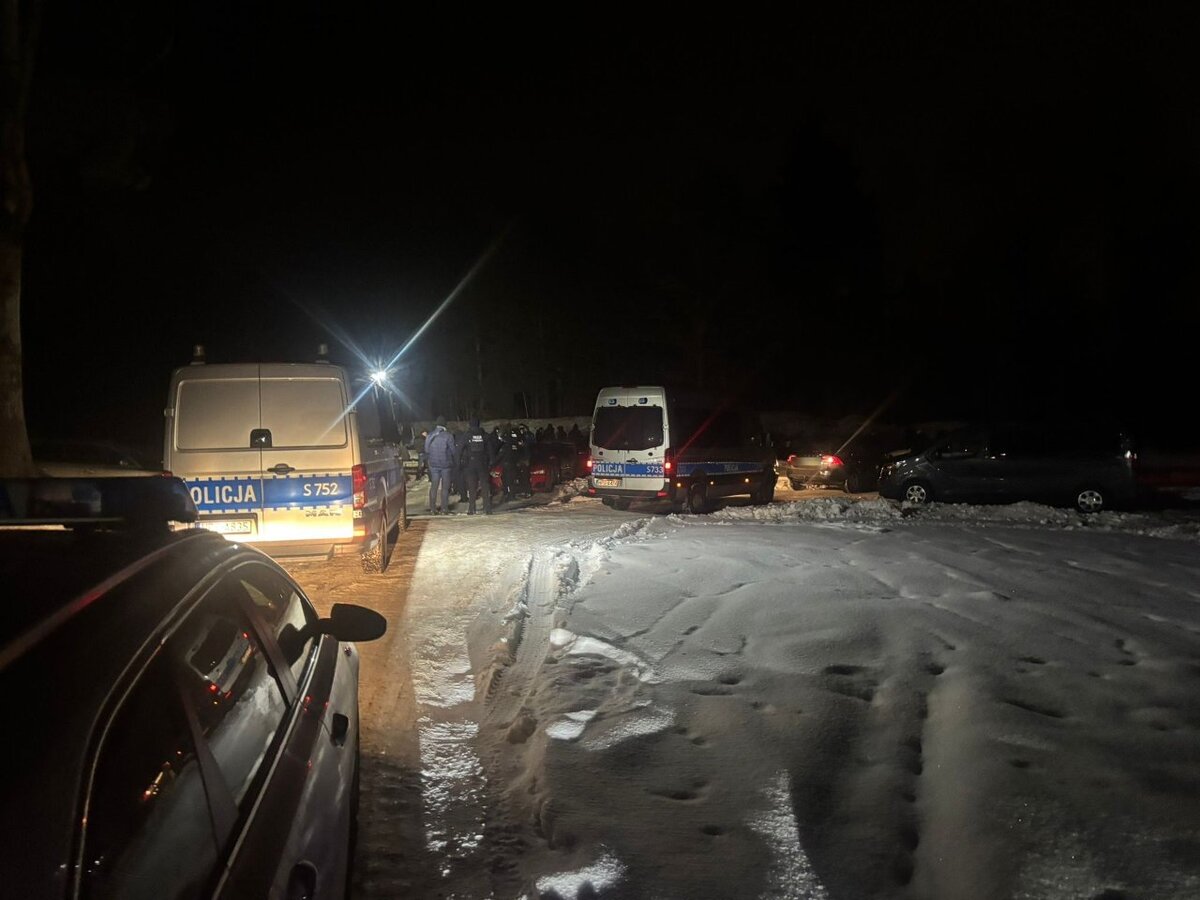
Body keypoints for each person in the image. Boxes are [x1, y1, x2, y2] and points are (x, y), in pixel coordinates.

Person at [457, 417, 495, 514]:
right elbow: (491, 450)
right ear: (478, 424)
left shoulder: (467, 436)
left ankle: (471, 509)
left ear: (470, 424)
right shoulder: (485, 435)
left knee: (472, 487)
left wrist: (458, 464)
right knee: (485, 486)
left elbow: (459, 450)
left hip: (470, 464)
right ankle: (487, 508)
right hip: (482, 464)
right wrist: (491, 462)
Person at [424, 416, 457, 514]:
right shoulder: (448, 436)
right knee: (445, 487)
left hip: (433, 465)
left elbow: (426, 450)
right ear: (445, 424)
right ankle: (444, 508)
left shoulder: (430, 435)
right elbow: (453, 451)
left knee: (434, 486)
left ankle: (432, 509)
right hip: (446, 465)